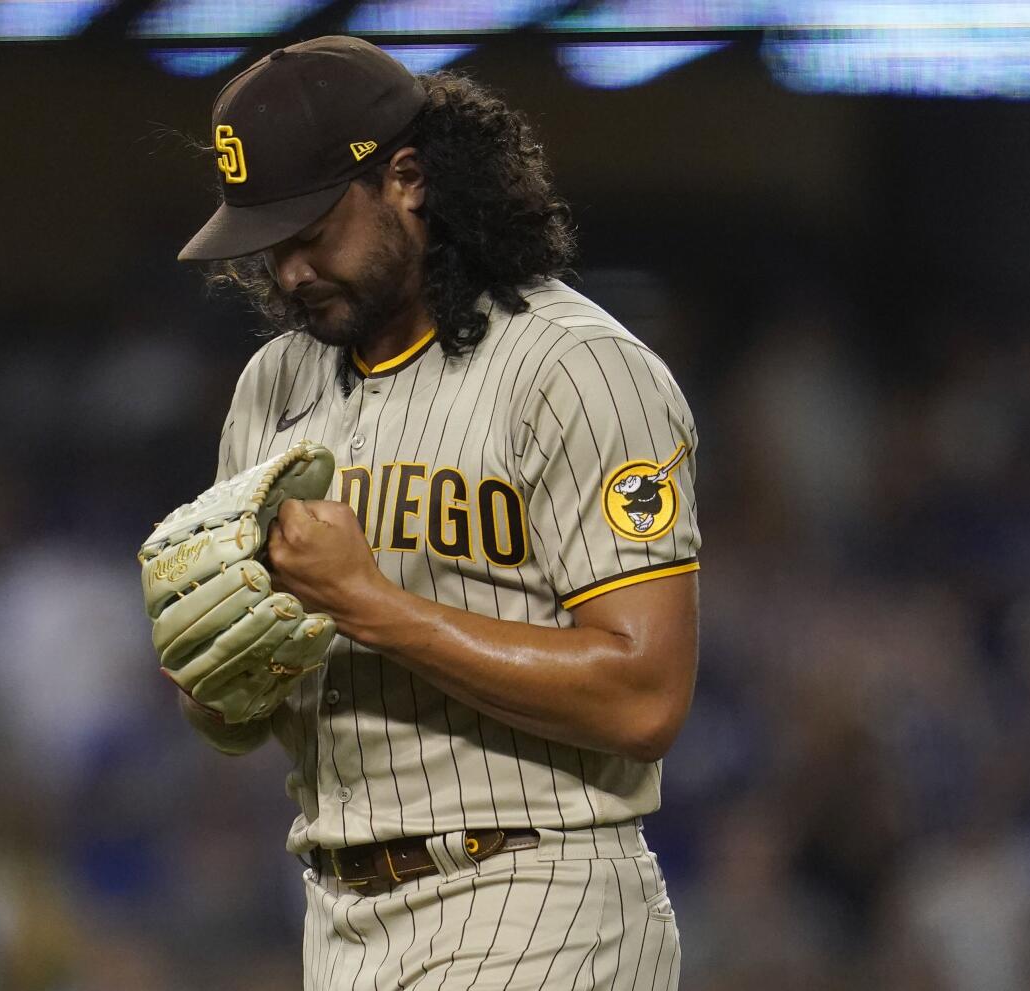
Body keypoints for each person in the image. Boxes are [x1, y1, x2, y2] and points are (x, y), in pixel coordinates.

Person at [174, 35, 699, 990]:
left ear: (406, 179)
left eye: (310, 231)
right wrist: (217, 674)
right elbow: (233, 718)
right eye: (267, 244)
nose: (288, 272)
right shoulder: (272, 386)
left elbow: (646, 693)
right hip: (337, 923)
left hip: (538, 896)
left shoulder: (578, 369)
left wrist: (369, 603)